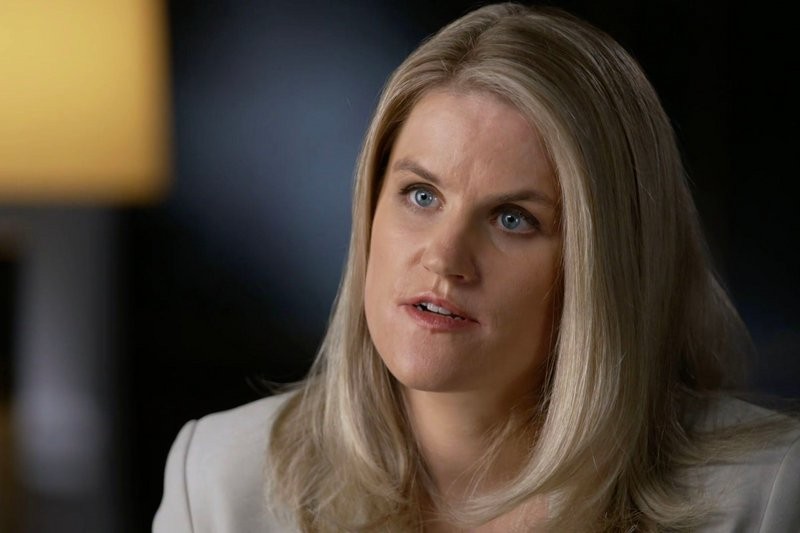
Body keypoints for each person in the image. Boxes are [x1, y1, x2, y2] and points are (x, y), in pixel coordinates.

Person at [153, 3, 800, 532]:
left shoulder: (767, 494)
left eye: (512, 218)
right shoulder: (219, 481)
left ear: (607, 263)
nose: (444, 257)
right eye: (421, 195)